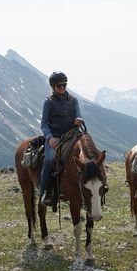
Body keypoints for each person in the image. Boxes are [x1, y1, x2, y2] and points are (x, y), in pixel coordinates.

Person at [39, 71, 84, 206]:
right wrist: (50, 137)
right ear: (53, 86)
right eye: (59, 86)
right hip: (55, 138)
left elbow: (79, 116)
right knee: (49, 160)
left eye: (64, 85)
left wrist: (78, 120)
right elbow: (44, 123)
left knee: (89, 156)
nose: (63, 88)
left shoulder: (73, 100)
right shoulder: (48, 102)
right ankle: (44, 192)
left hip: (72, 136)